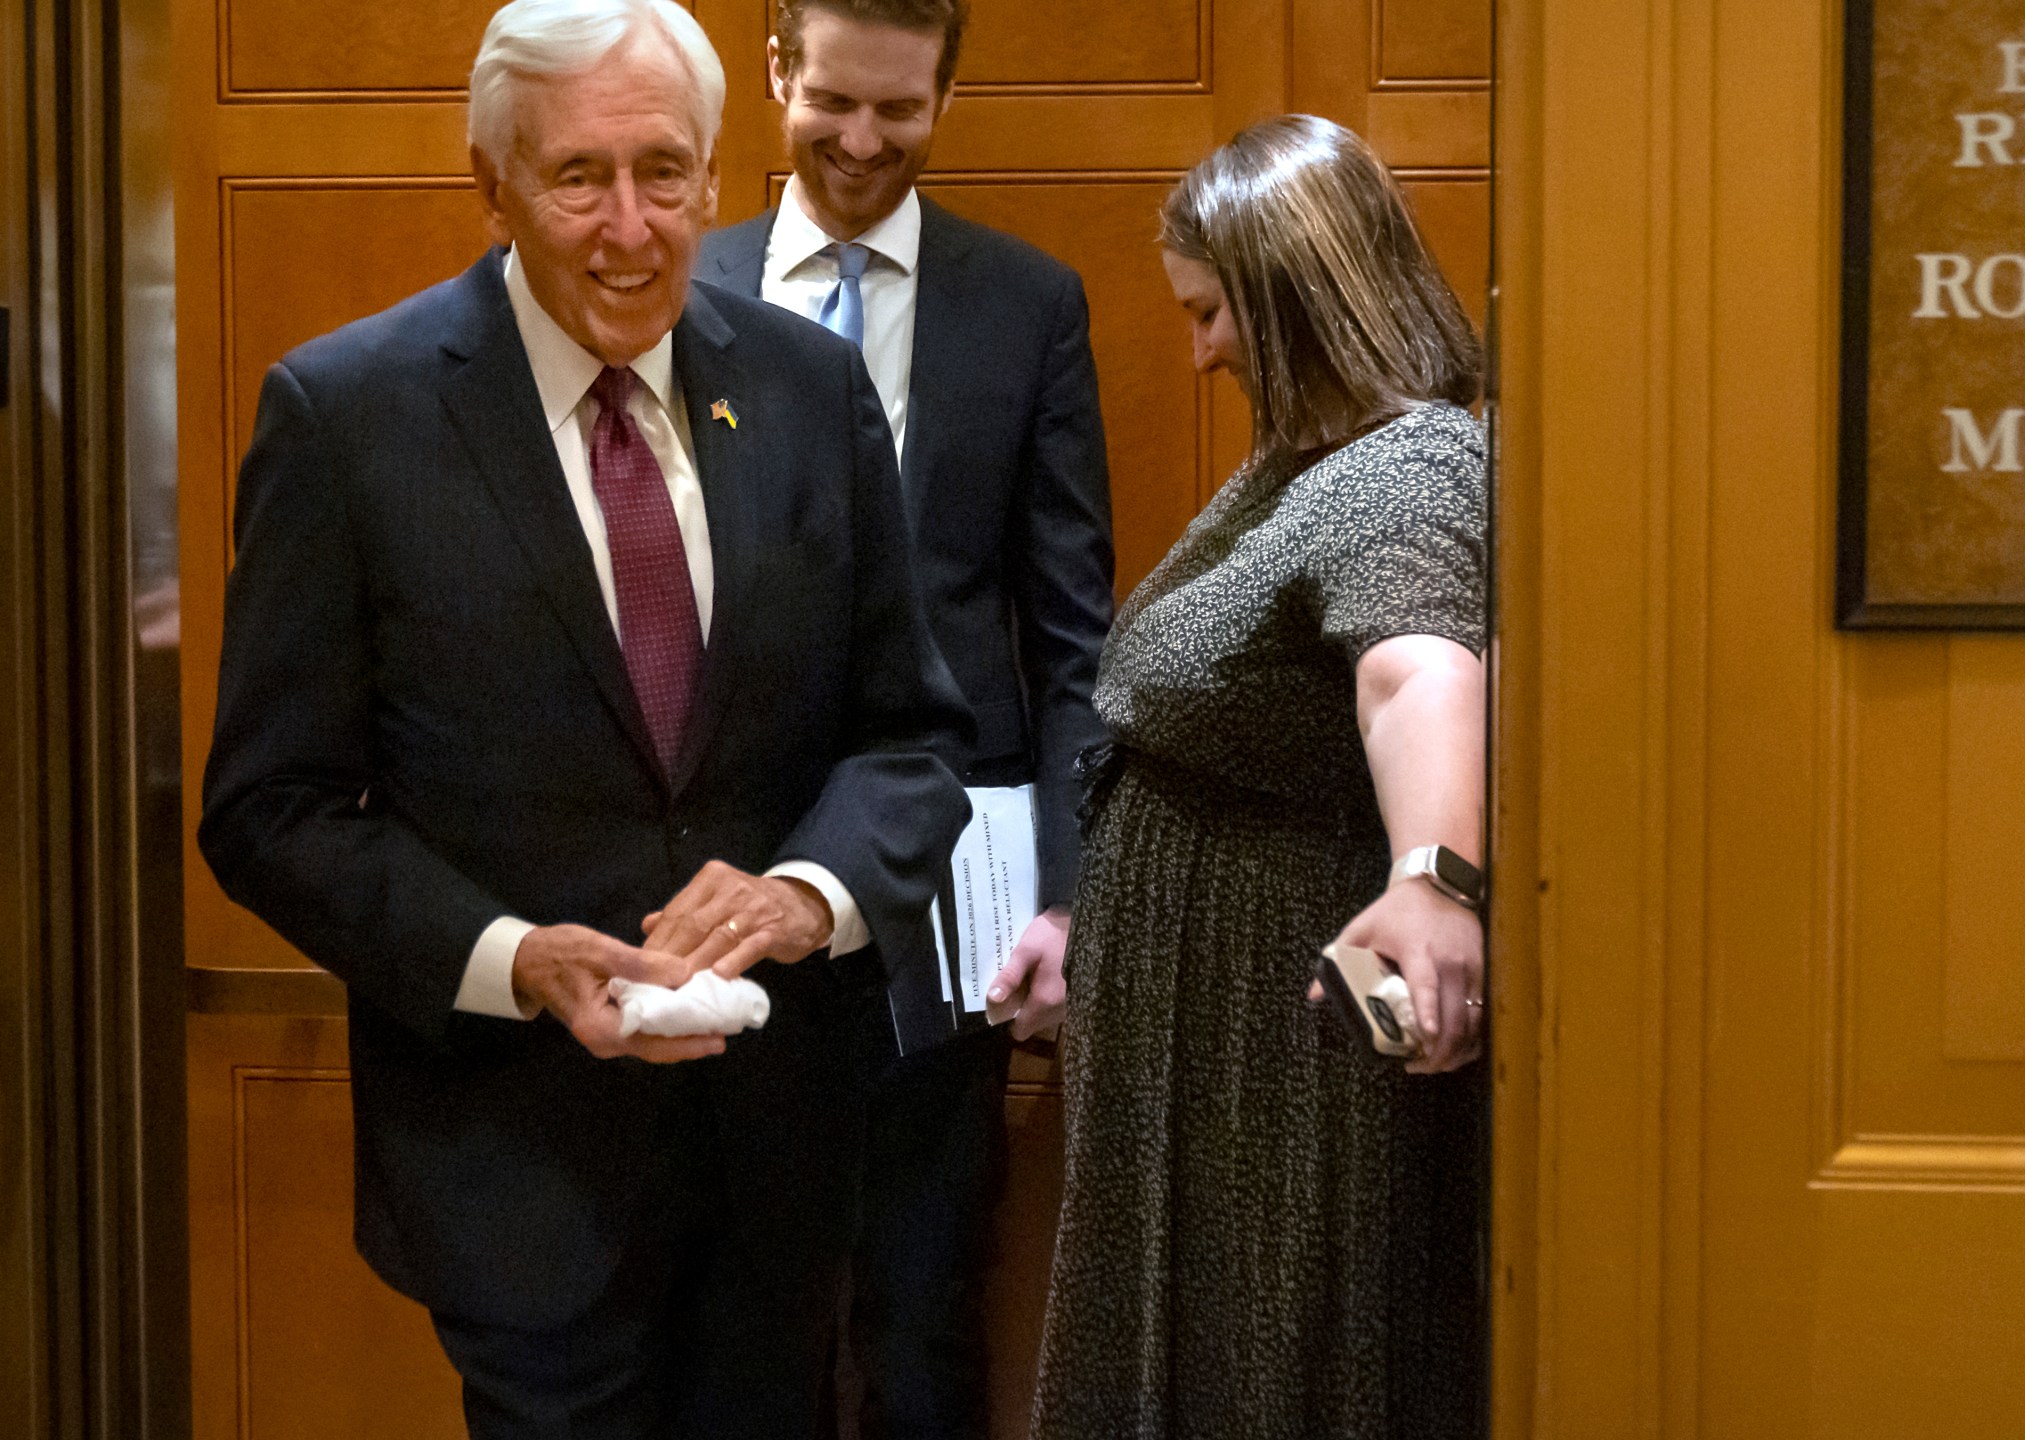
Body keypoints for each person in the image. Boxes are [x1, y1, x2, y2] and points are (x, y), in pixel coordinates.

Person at [194, 2, 973, 1435]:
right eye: (579, 178)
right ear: (490, 179)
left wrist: (807, 896)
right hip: (514, 1161)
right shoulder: (347, 416)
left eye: (666, 173)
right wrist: (514, 958)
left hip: (779, 1153)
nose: (632, 227)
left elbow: (910, 738)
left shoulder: (807, 389)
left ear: (719, 174)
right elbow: (269, 811)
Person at [1031, 114, 1490, 1440]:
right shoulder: (1317, 456)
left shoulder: (1407, 470)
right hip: (1213, 1021)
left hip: (1274, 1035)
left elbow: (1421, 672)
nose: (1201, 348)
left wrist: (1433, 878)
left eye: (1215, 311)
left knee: (1273, 1367)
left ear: (1296, 298)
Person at [695, 2, 1114, 1433]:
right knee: (746, 1315)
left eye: (901, 111)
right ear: (773, 75)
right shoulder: (675, 289)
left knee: (926, 1304)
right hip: (725, 878)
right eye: (833, 105)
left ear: (947, 92)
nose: (862, 143)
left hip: (954, 895)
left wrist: (1065, 897)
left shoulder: (1028, 303)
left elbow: (1069, 637)